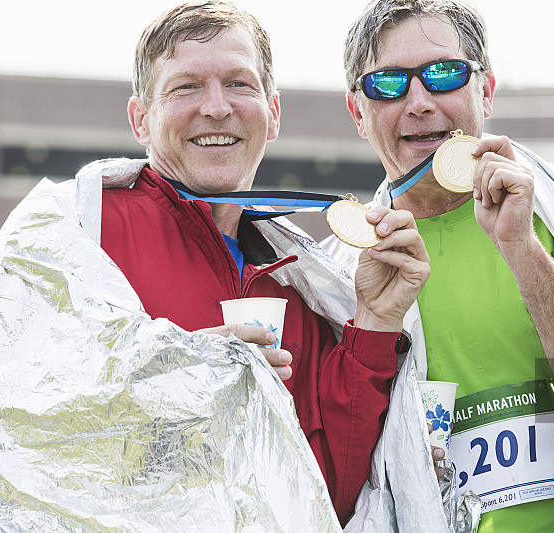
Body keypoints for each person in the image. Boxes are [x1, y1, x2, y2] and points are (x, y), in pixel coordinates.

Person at [102, 0, 429, 525]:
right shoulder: (84, 229)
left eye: (239, 84)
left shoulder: (298, 278)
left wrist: (375, 320)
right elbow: (5, 421)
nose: (216, 107)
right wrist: (173, 376)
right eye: (186, 86)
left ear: (273, 113)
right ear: (141, 118)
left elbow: (326, 493)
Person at [323, 0, 554, 531]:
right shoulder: (339, 272)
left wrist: (522, 250)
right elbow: (332, 471)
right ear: (358, 113)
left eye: (445, 74)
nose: (419, 102)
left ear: (486, 90)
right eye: (387, 84)